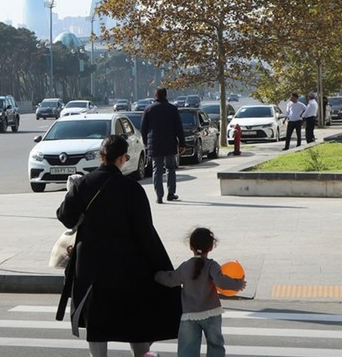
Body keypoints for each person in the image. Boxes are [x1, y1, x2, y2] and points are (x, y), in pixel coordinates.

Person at [56, 134, 181, 357]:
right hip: (127, 266)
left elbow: (65, 216)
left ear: (101, 155)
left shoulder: (83, 183)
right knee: (135, 319)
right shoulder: (132, 189)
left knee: (97, 322)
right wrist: (160, 265)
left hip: (91, 266)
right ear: (123, 157)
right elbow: (145, 231)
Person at [155, 227, 246, 357]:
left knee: (188, 349)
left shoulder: (186, 266)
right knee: (216, 346)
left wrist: (156, 275)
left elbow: (171, 279)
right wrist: (238, 284)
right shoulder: (212, 265)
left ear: (191, 247)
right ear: (211, 248)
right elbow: (221, 281)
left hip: (190, 315)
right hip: (212, 313)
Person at [141, 87, 186, 204]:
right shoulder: (172, 109)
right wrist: (182, 143)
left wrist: (145, 141)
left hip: (155, 144)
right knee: (170, 168)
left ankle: (159, 196)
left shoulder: (148, 109)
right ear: (166, 95)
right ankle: (171, 193)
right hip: (169, 142)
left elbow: (143, 128)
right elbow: (178, 128)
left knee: (157, 170)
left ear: (155, 95)